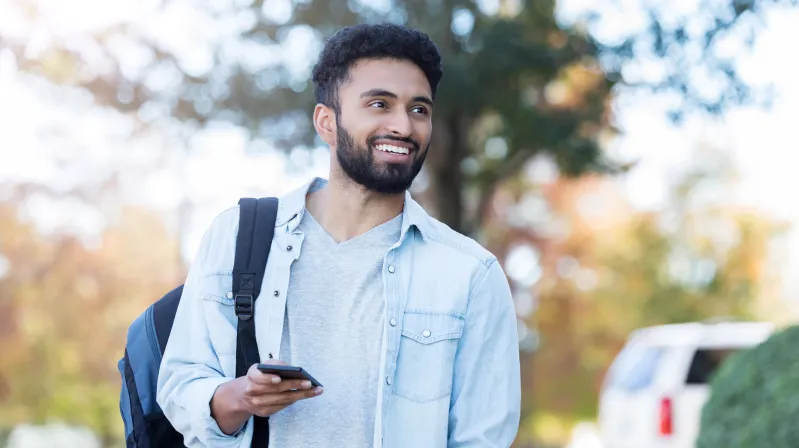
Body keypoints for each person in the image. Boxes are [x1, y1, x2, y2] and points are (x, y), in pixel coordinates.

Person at [156, 22, 521, 448]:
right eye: (380, 104)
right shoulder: (238, 236)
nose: (404, 126)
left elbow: (483, 438)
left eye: (419, 109)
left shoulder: (470, 274)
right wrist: (238, 397)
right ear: (326, 123)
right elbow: (180, 383)